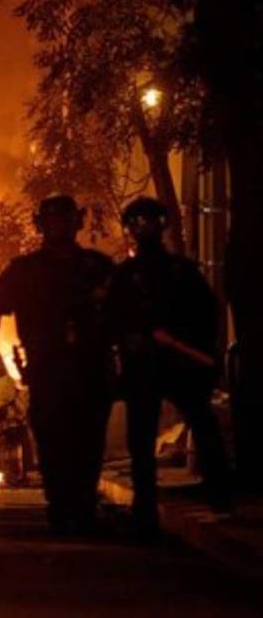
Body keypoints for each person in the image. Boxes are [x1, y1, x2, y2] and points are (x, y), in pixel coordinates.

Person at [0, 195, 114, 534]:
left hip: (90, 367)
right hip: (46, 368)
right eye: (53, 220)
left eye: (66, 219)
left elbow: (125, 314)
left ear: (77, 222)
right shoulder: (24, 270)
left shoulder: (97, 267)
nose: (60, 226)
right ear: (41, 224)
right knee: (51, 439)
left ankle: (83, 506)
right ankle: (59, 504)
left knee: (88, 440)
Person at [108, 196, 232, 538]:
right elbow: (110, 320)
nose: (143, 228)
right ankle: (145, 510)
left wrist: (202, 355)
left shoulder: (181, 272)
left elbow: (207, 315)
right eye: (137, 222)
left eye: (148, 221)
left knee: (203, 428)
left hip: (181, 365)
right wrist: (128, 341)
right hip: (144, 367)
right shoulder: (125, 276)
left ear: (160, 224)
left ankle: (220, 500)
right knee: (141, 440)